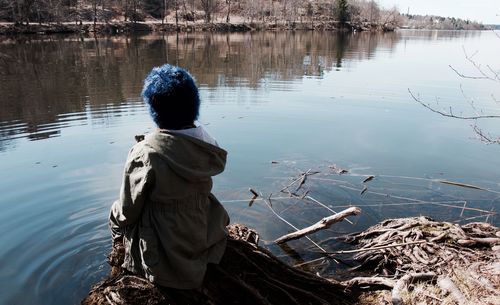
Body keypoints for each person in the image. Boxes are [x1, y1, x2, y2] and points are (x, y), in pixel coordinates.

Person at [109, 64, 230, 289]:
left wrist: (114, 218)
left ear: (154, 110)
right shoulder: (207, 144)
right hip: (202, 232)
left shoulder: (145, 153)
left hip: (164, 253)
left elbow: (128, 211)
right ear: (194, 105)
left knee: (117, 213)